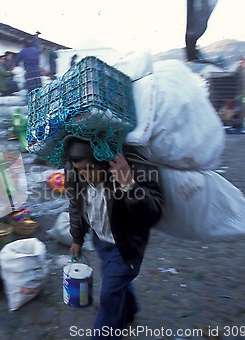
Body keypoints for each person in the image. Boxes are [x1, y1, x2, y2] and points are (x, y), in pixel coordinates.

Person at [64, 136, 163, 339]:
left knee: (109, 294)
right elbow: (75, 206)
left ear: (103, 162)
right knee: (115, 283)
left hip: (126, 245)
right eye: (79, 170)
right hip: (100, 241)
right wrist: (77, 238)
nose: (84, 176)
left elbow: (151, 215)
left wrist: (129, 185)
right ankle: (129, 310)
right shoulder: (75, 173)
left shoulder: (133, 170)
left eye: (88, 170)